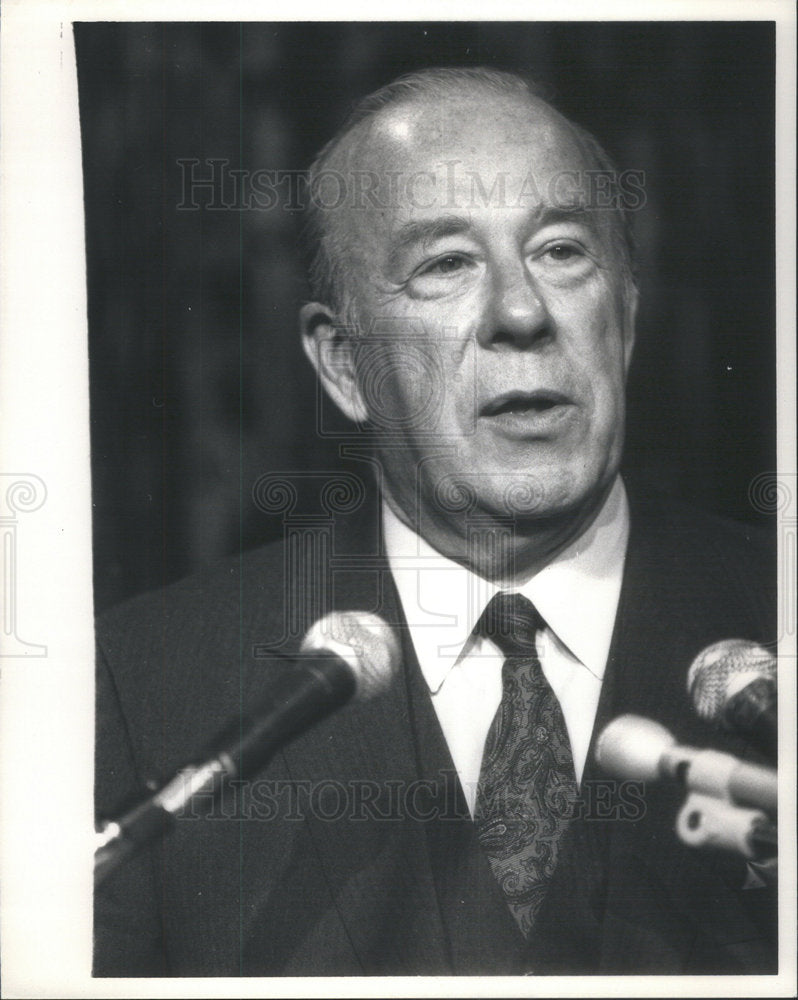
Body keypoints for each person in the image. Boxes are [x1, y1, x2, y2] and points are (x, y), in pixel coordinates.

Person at [94, 67, 777, 976]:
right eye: (446, 264)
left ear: (627, 320)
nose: (523, 313)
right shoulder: (146, 688)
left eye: (563, 250)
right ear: (343, 365)